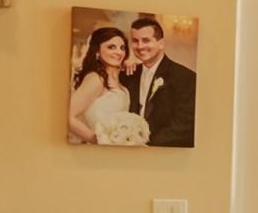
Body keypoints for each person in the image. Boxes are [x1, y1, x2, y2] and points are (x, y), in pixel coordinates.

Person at [125, 13, 197, 148]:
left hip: (165, 153)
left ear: (161, 43)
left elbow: (184, 124)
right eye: (135, 41)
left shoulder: (185, 77)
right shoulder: (129, 74)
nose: (140, 46)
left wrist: (149, 145)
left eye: (146, 40)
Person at [70, 26, 139, 145]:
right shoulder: (96, 79)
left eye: (122, 48)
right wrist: (97, 140)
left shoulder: (118, 77)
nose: (119, 52)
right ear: (97, 51)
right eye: (111, 47)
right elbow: (68, 116)